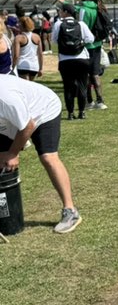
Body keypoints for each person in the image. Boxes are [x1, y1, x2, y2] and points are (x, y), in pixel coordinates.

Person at [0, 74, 82, 233]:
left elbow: (28, 126)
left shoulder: (5, 98)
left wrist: (13, 153)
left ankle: (70, 211)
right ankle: (6, 214)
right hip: (10, 120)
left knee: (48, 157)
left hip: (43, 110)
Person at [52, 3, 94, 119]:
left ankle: (70, 113)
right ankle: (82, 112)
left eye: (61, 11)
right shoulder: (81, 24)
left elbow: (54, 40)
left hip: (65, 60)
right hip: (81, 59)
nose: (60, 13)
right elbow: (91, 38)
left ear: (66, 12)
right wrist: (80, 42)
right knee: (82, 85)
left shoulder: (58, 24)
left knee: (68, 86)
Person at [72, 0, 108, 110]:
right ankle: (101, 101)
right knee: (95, 73)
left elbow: (82, 26)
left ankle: (89, 101)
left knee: (85, 75)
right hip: (97, 44)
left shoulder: (83, 9)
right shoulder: (99, 7)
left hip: (86, 45)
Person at [12, 16, 43, 81]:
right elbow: (40, 54)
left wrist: (12, 67)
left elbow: (16, 55)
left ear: (22, 25)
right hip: (34, 66)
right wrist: (41, 68)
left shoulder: (18, 38)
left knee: (24, 88)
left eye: (19, 23)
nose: (17, 25)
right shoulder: (37, 37)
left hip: (22, 65)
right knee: (30, 87)